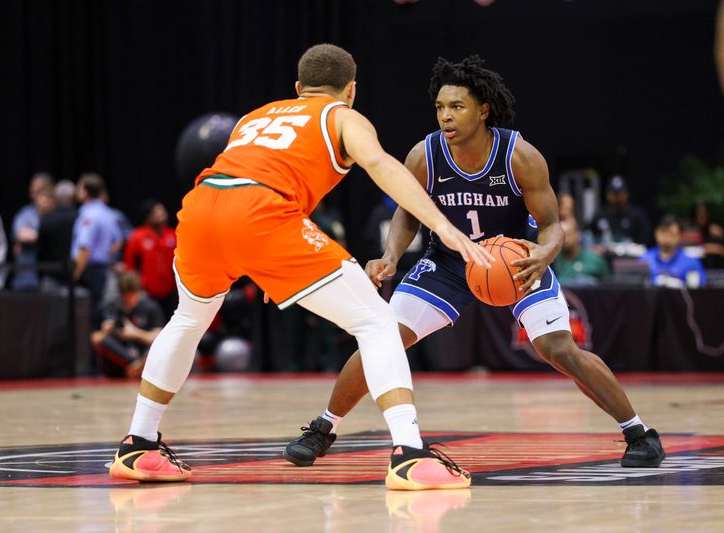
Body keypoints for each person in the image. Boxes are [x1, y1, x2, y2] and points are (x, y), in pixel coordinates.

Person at [109, 43, 493, 489]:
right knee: (376, 321)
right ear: (350, 90)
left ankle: (139, 444)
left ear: (297, 88)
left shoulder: (256, 116)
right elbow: (379, 164)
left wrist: (263, 262)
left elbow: (256, 174)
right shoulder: (343, 116)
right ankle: (409, 454)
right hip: (261, 213)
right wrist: (443, 227)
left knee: (188, 319)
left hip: (200, 207)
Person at [283, 55, 665, 471]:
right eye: (440, 108)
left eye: (457, 108)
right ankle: (323, 428)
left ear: (483, 110)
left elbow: (553, 225)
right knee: (384, 336)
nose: (446, 117)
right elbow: (407, 213)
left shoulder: (519, 156)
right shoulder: (424, 155)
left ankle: (639, 432)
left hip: (514, 259)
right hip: (449, 262)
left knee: (558, 349)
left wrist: (544, 254)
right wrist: (391, 255)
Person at [92, 272, 164, 379]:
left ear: (139, 292)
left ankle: (140, 365)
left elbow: (158, 337)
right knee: (104, 341)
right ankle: (136, 366)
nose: (129, 300)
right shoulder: (112, 307)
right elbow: (95, 337)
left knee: (160, 347)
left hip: (143, 352)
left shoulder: (150, 307)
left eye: (132, 296)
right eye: (126, 297)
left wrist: (135, 333)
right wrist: (110, 330)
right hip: (123, 356)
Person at [71, 174, 122, 322]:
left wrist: (75, 275)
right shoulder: (108, 213)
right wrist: (106, 255)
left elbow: (85, 248)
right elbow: (117, 241)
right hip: (102, 269)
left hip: (89, 270)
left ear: (85, 192)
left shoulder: (89, 214)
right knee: (99, 311)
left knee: (87, 315)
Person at [123, 199, 177, 321]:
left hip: (171, 292)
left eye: (163, 211)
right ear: (148, 216)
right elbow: (129, 266)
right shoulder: (137, 237)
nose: (162, 214)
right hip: (147, 293)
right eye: (157, 211)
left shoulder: (173, 235)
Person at [10, 172, 54, 291]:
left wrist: (35, 235)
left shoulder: (56, 215)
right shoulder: (26, 214)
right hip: (27, 280)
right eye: (33, 191)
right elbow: (22, 235)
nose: (34, 195)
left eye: (39, 191)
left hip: (51, 280)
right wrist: (47, 236)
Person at [641, 214, 707, 288]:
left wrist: (681, 285)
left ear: (679, 236)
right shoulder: (644, 259)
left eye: (671, 233)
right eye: (663, 232)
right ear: (656, 233)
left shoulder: (691, 262)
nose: (667, 237)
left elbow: (700, 290)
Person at [587, 175, 651, 251]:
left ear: (626, 194)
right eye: (614, 194)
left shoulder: (637, 215)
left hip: (631, 259)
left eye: (620, 194)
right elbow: (590, 239)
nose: (617, 198)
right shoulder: (599, 216)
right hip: (605, 258)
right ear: (607, 195)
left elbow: (644, 242)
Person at [37, 179, 78, 289]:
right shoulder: (79, 218)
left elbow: (40, 250)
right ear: (73, 197)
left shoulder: (47, 219)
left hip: (51, 275)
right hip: (75, 276)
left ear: (55, 198)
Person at [553, 216, 610, 286]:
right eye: (562, 235)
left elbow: (607, 286)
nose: (565, 239)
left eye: (568, 234)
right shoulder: (553, 263)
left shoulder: (595, 260)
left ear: (577, 234)